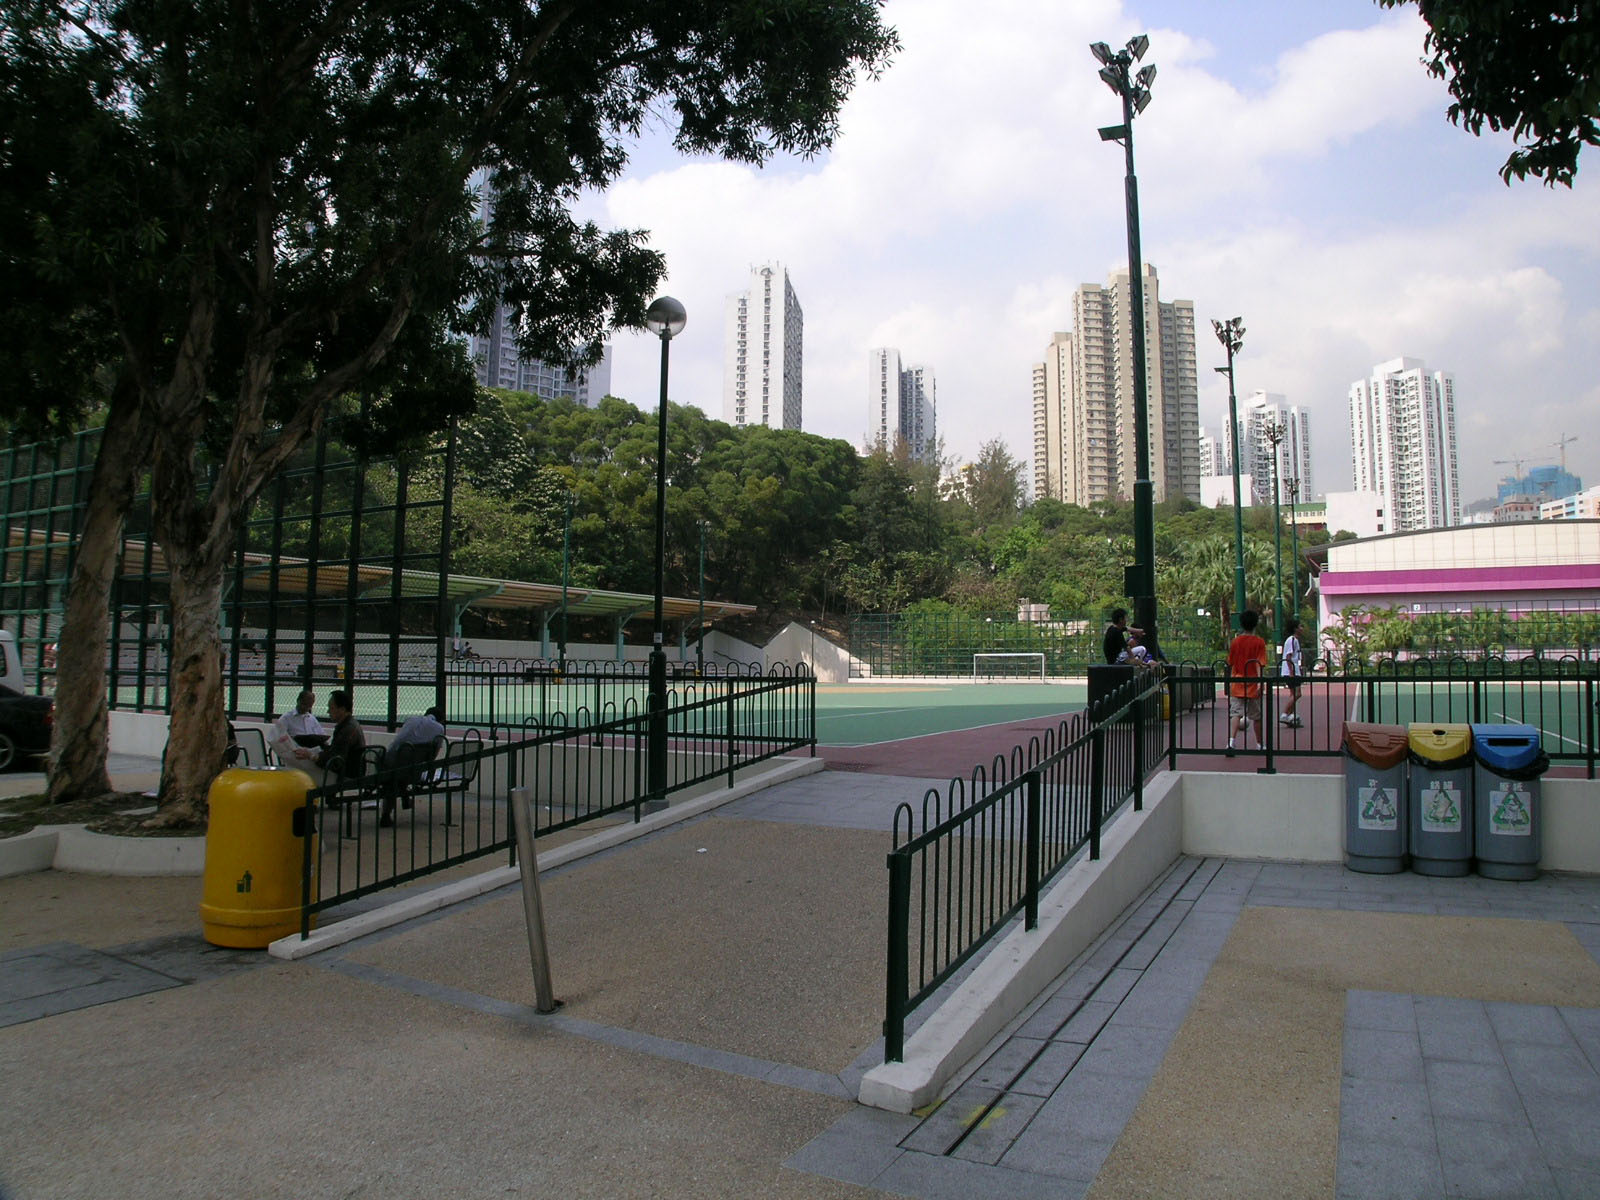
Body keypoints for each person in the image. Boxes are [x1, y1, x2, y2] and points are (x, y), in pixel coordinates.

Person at [1227, 609, 1268, 755]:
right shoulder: (1259, 642)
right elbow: (1259, 663)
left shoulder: (1235, 642)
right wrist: (1260, 683)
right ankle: (1259, 744)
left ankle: (1231, 742)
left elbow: (1230, 661)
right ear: (1255, 624)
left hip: (1237, 682)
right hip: (1253, 684)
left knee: (1235, 713)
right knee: (1256, 716)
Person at [315, 689, 366, 784]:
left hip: (347, 774)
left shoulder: (347, 730)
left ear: (342, 709)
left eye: (331, 708)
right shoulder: (350, 725)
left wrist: (314, 757)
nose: (328, 711)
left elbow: (335, 762)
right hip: (351, 770)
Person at [271, 689, 325, 766]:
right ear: (298, 701)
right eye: (304, 704)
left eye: (309, 706)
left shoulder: (312, 719)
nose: (306, 707)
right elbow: (277, 736)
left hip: (311, 753)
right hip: (295, 754)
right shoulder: (287, 718)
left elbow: (321, 735)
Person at [1278, 619, 1305, 729]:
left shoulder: (1296, 640)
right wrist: (1291, 671)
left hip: (1294, 670)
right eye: (1300, 626)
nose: (1302, 628)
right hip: (1291, 671)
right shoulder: (1292, 640)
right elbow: (1288, 656)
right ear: (1295, 628)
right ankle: (1284, 714)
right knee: (1297, 694)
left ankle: (1291, 717)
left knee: (1293, 694)